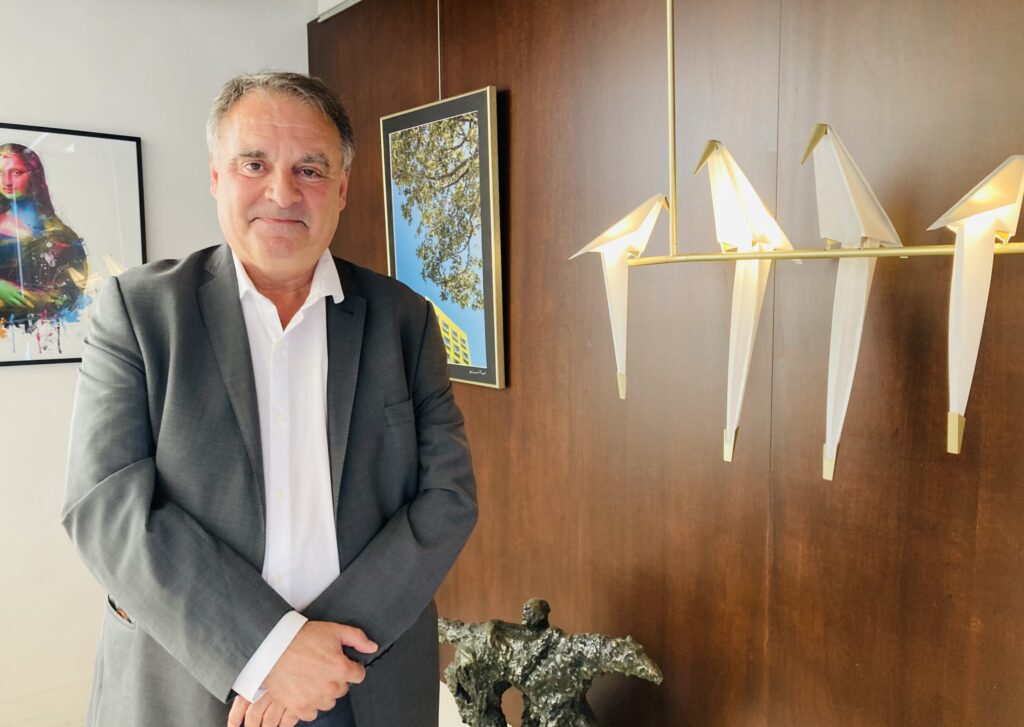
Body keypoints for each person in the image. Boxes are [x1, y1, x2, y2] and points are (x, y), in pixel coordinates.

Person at [62, 72, 478, 727]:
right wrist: (270, 649)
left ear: (342, 188)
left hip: (363, 681)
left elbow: (447, 497)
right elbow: (105, 506)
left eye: (310, 169)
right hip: (188, 685)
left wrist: (318, 659)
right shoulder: (138, 312)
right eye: (254, 164)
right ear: (216, 175)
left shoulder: (406, 320)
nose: (282, 193)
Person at [0, 143, 88, 326]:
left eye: (16, 172)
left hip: (45, 330)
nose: (6, 181)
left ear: (34, 175)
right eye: (0, 173)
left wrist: (33, 299)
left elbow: (71, 295)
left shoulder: (61, 236)